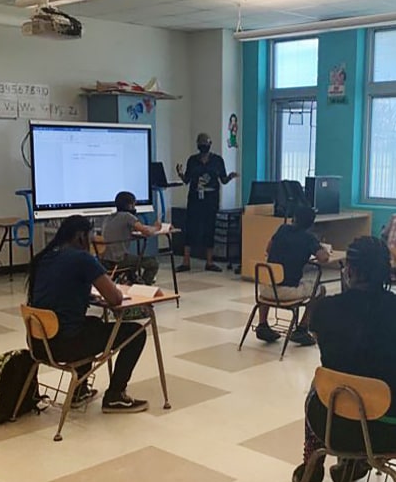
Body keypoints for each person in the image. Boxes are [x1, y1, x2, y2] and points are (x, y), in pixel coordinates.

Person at [292, 236, 396, 482]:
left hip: (330, 424)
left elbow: (333, 349)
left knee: (318, 390)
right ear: (387, 270)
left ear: (349, 270)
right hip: (390, 430)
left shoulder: (325, 309)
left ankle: (312, 471)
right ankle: (356, 464)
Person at [27, 215, 149, 413]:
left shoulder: (43, 257)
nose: (92, 243)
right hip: (64, 346)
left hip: (39, 343)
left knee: (91, 323)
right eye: (90, 237)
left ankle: (79, 391)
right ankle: (116, 395)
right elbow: (115, 298)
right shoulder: (82, 258)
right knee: (136, 333)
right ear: (80, 236)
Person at [255, 206, 328, 347]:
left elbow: (268, 248)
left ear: (294, 218)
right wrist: (321, 248)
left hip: (264, 291)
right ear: (311, 224)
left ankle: (262, 324)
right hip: (286, 292)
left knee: (270, 277)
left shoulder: (282, 229)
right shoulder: (309, 238)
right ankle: (302, 328)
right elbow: (323, 258)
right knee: (320, 289)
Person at [176, 133, 238, 272]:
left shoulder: (217, 160)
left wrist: (230, 177)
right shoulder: (192, 160)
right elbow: (187, 180)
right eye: (201, 143)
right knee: (190, 229)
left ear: (210, 144)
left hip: (211, 200)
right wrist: (180, 174)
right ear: (198, 145)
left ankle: (209, 262)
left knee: (210, 229)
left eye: (206, 143)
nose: (204, 146)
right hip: (195, 199)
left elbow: (223, 180)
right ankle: (186, 262)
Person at [102, 191, 161, 285]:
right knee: (153, 264)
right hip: (119, 260)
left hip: (105, 261)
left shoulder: (108, 218)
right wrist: (157, 228)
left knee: (133, 262)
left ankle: (131, 281)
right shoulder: (127, 216)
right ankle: (142, 287)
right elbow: (146, 231)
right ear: (130, 205)